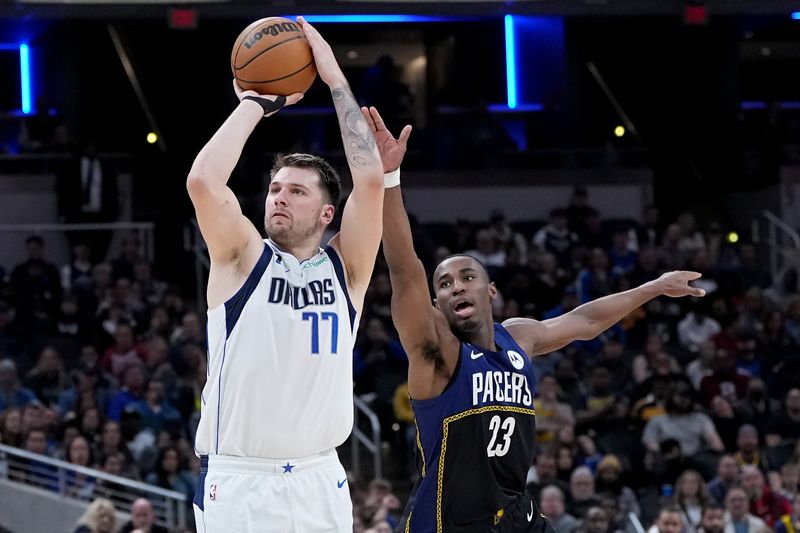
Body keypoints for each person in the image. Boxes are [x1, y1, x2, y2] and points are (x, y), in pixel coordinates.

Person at [362, 105, 705, 532]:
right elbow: (405, 271)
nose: (456, 287)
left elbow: (586, 321)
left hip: (515, 515)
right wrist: (391, 179)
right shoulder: (438, 355)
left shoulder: (518, 338)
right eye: (445, 284)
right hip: (450, 521)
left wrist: (652, 287)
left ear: (491, 291)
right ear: (437, 301)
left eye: (467, 277)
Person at [187, 17, 383, 533]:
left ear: (326, 214)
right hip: (240, 480)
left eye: (297, 191)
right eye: (276, 188)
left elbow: (369, 181)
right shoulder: (241, 257)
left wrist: (335, 79)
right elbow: (203, 182)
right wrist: (255, 101)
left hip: (321, 477)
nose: (279, 196)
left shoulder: (348, 268)